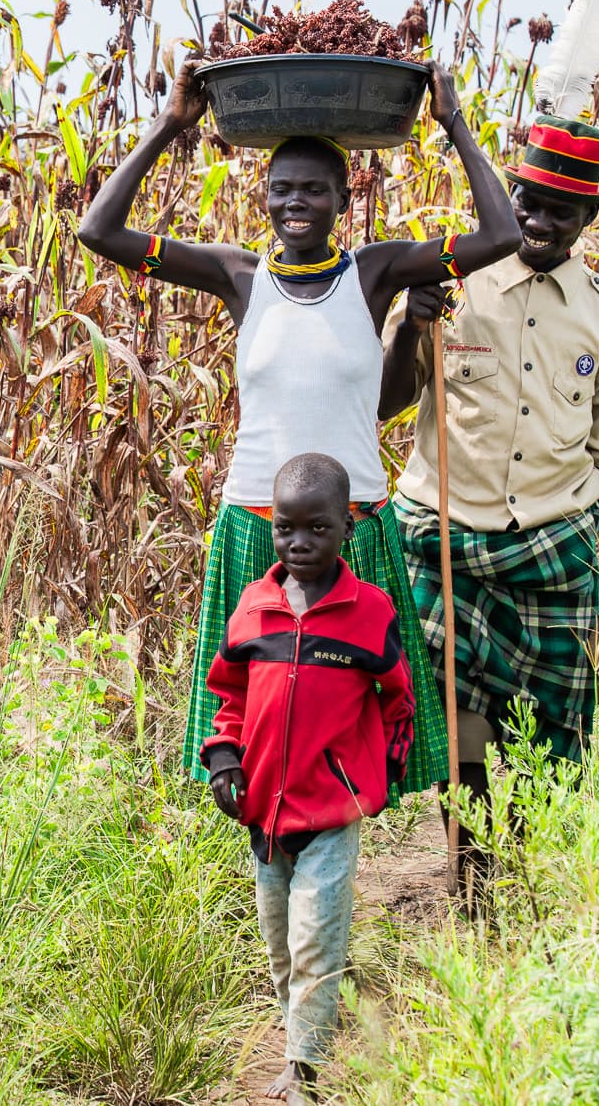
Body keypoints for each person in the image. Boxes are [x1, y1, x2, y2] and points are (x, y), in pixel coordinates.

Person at [75, 58, 519, 797]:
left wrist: (454, 122)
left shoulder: (375, 274)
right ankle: (270, 869)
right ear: (264, 197)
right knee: (251, 733)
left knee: (352, 732)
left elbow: (499, 234)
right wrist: (171, 124)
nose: (296, 202)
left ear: (346, 197)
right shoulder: (236, 276)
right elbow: (99, 230)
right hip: (258, 526)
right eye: (282, 188)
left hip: (355, 527)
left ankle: (331, 866)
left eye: (315, 188)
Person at [378, 116, 599, 898]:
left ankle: (515, 861)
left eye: (559, 211)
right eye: (525, 200)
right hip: (442, 540)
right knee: (459, 729)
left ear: (589, 219)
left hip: (550, 548)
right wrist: (407, 329)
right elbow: (390, 404)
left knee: (542, 738)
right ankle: (470, 871)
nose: (535, 220)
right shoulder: (451, 283)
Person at [200, 453, 415, 1104]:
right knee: (279, 943)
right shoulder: (254, 609)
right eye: (286, 527)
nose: (299, 542)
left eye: (316, 528)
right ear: (271, 526)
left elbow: (397, 699)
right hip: (263, 812)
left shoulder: (368, 613)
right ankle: (299, 1033)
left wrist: (382, 772)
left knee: (316, 936)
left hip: (330, 812)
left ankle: (305, 1069)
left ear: (346, 528)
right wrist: (222, 759)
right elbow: (228, 695)